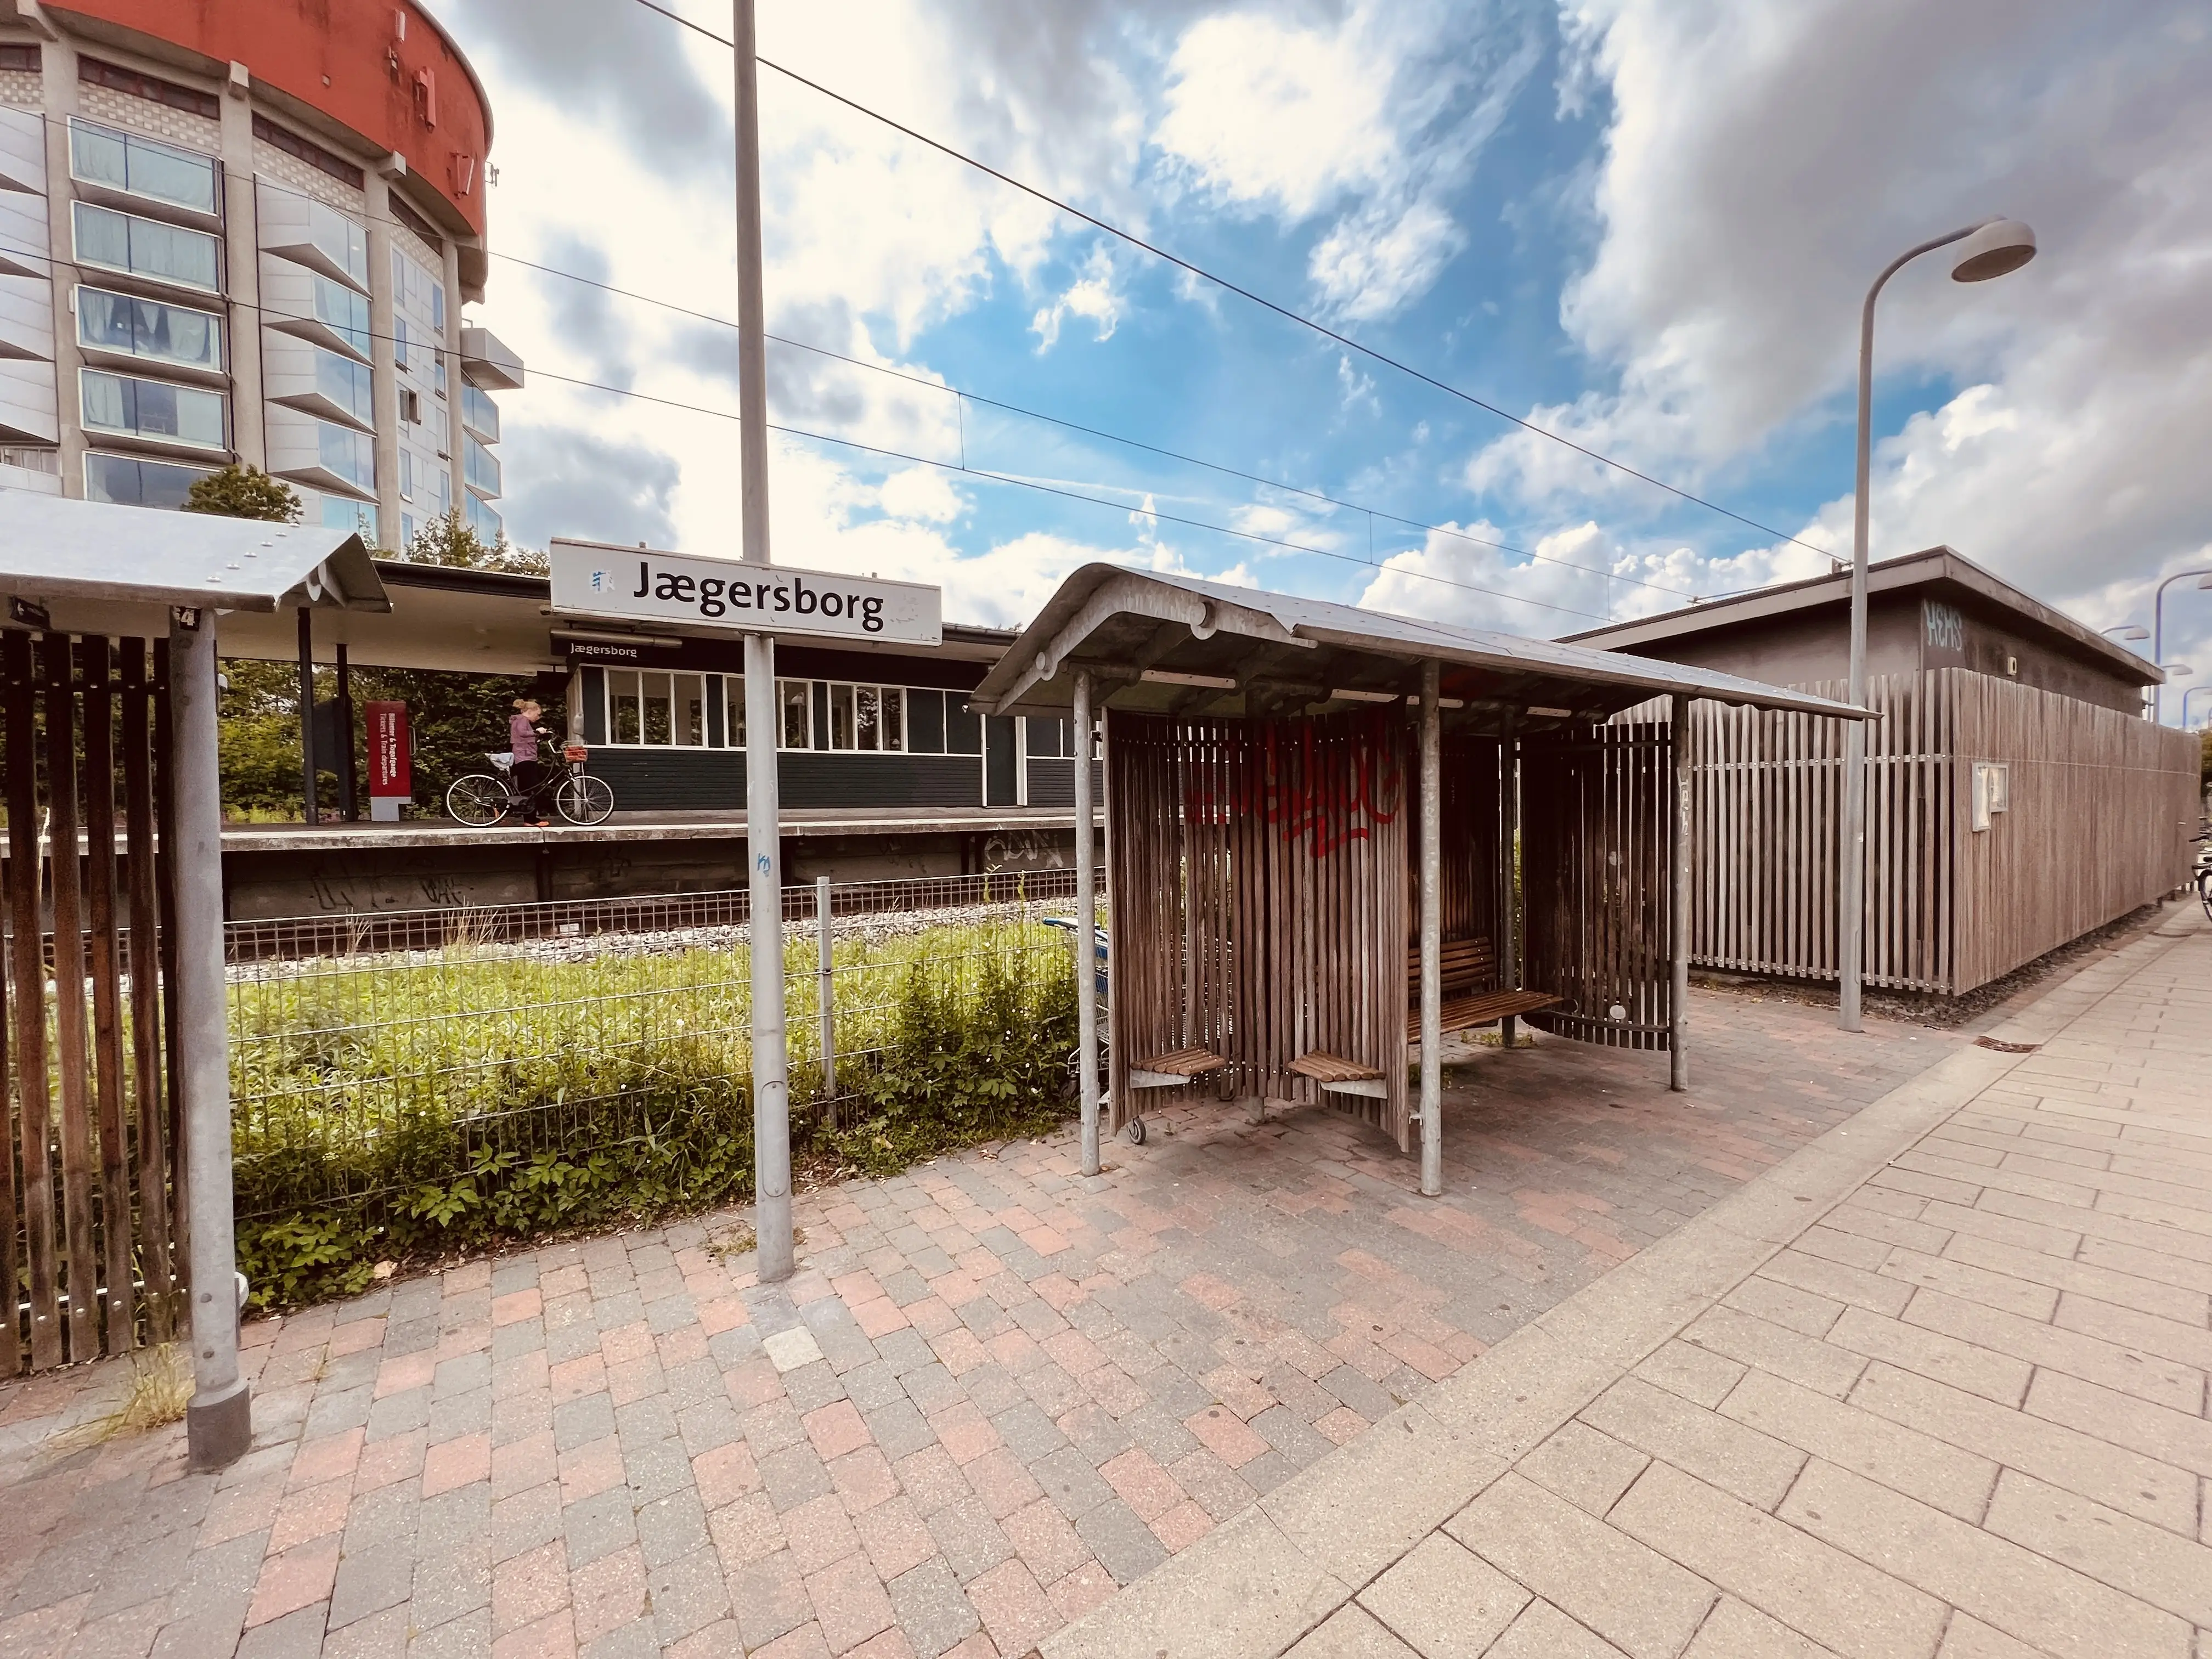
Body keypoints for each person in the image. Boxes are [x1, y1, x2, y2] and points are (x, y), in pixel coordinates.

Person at [509, 698, 553, 826]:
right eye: (538, 714)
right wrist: (537, 731)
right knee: (533, 788)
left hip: (524, 757)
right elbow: (523, 733)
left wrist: (536, 738)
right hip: (525, 758)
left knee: (527, 789)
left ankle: (529, 819)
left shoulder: (520, 721)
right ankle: (531, 819)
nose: (538, 717)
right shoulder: (522, 720)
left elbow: (523, 737)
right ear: (530, 711)